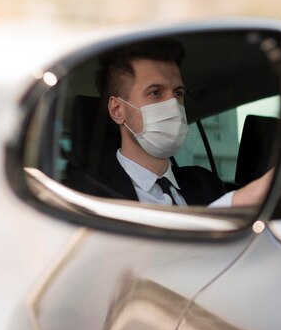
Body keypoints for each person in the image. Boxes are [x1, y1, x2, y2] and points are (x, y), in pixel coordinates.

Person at [92, 39, 271, 207]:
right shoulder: (86, 192)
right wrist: (237, 202)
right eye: (155, 92)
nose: (174, 106)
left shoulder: (206, 183)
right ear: (117, 110)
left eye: (177, 93)